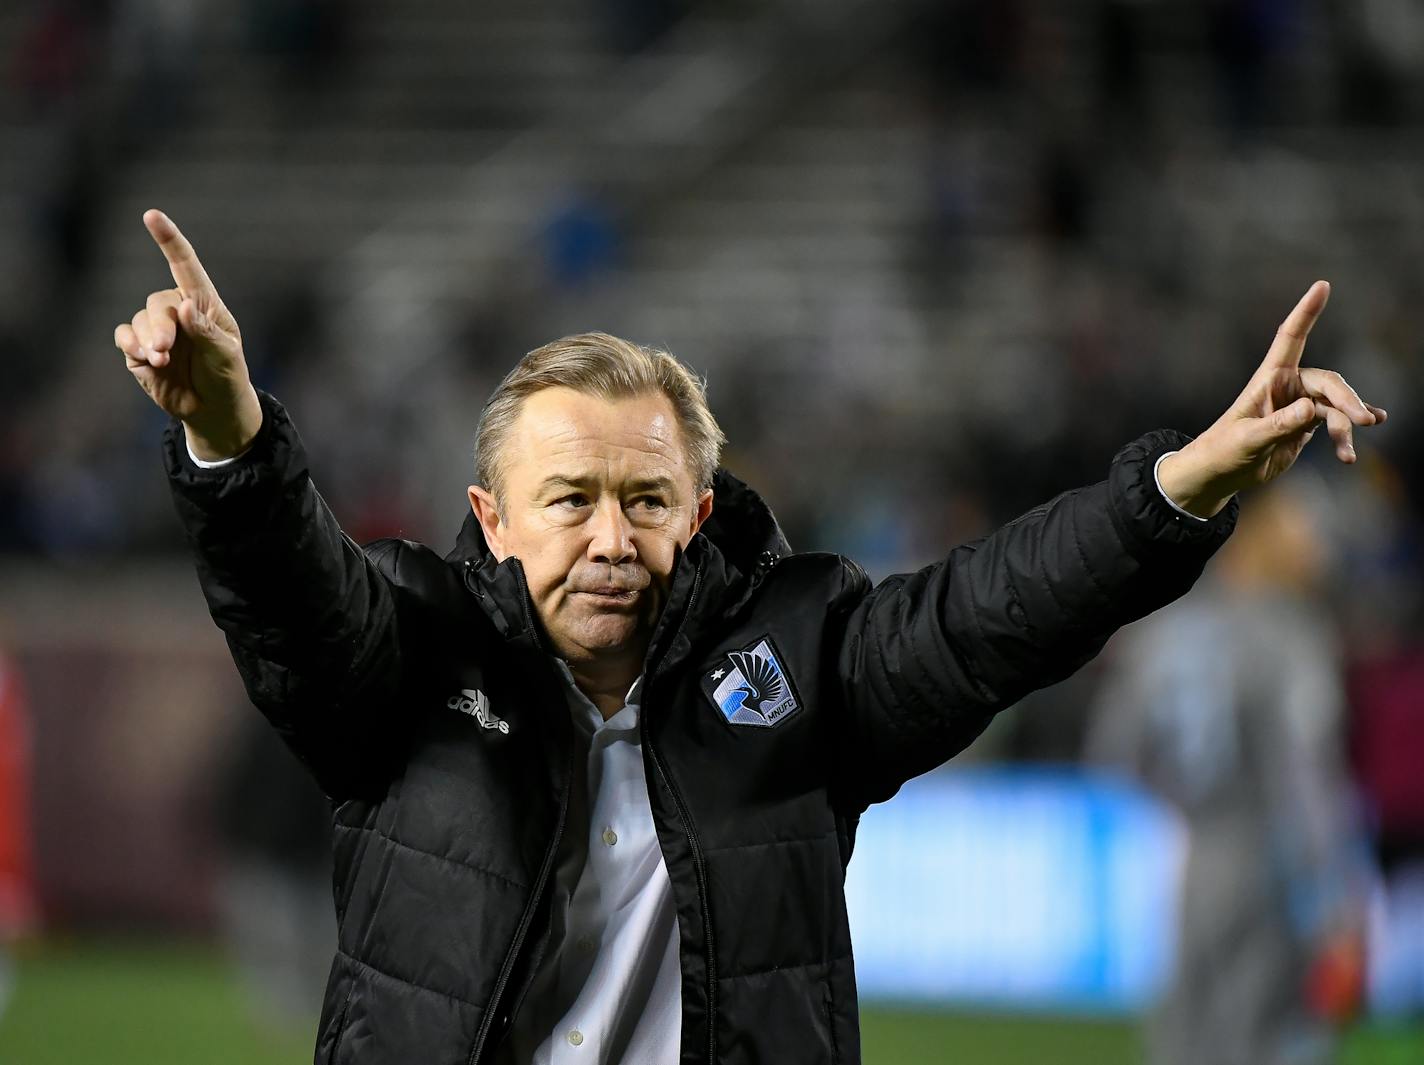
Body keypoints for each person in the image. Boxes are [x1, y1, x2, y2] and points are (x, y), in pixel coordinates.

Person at [114, 208, 1385, 1065]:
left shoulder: (802, 659)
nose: (611, 539)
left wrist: (1184, 485)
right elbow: (292, 597)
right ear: (490, 521)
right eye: (569, 502)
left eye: (646, 500)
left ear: (701, 513)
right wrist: (230, 438)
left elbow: (994, 611)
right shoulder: (410, 655)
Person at [1087, 480, 1369, 1065]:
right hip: (1264, 861)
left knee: (1185, 1038)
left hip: (1186, 856)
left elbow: (1113, 750)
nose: (1320, 555)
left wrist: (1186, 809)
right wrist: (1342, 905)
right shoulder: (1290, 633)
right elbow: (1308, 774)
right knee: (1264, 1038)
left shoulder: (1161, 628)